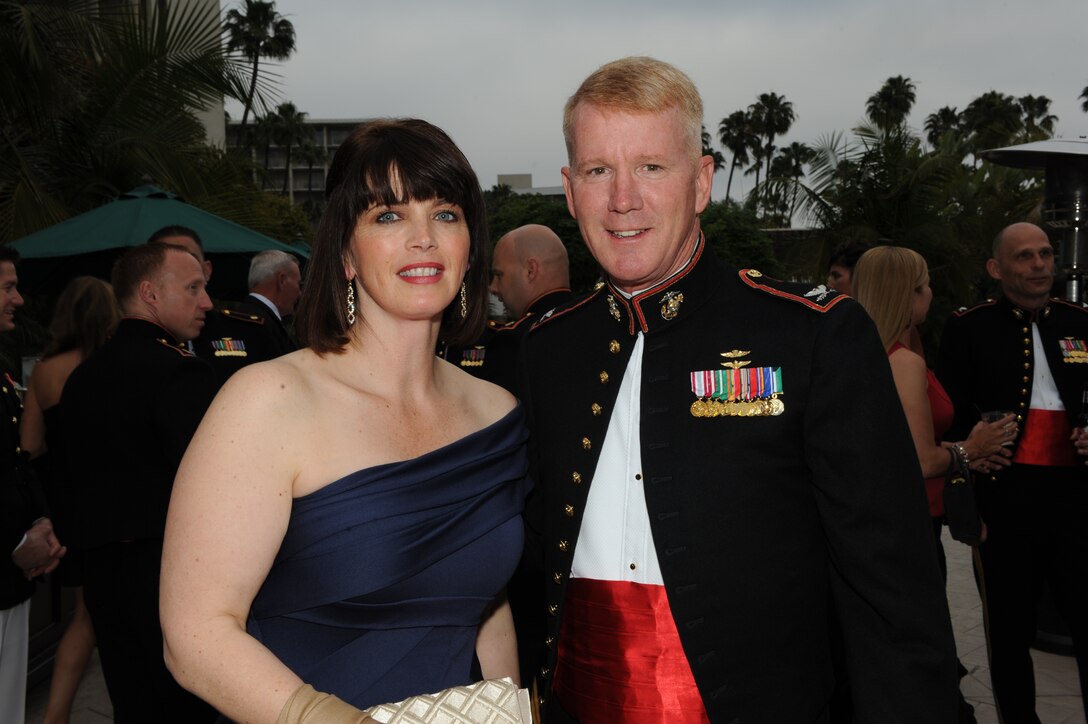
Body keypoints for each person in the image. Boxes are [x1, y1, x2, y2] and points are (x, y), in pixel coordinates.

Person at [522, 56, 959, 723]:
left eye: (651, 166)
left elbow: (892, 592)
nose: (622, 198)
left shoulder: (812, 337)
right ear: (570, 188)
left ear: (701, 182)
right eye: (597, 170)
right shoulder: (544, 349)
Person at [160, 118, 529, 723]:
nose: (423, 239)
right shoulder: (268, 401)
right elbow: (195, 636)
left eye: (445, 214)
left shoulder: (496, 411)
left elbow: (487, 611)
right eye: (388, 216)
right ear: (346, 254)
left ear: (469, 248)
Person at [936, 221, 1088, 723]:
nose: (1040, 264)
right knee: (1009, 633)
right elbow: (951, 418)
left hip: (1077, 500)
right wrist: (967, 481)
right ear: (996, 269)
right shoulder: (968, 327)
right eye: (1024, 256)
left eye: (1045, 253)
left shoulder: (1081, 322)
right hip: (1004, 501)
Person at [60, 244, 217, 722]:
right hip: (173, 573)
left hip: (103, 577)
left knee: (132, 703)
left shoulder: (82, 377)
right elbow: (212, 487)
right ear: (150, 294)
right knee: (188, 707)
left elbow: (68, 481)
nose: (207, 302)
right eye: (192, 288)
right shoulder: (179, 372)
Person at [19, 275, 121, 724]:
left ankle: (56, 714)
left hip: (68, 507)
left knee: (87, 613)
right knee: (98, 615)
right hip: (116, 506)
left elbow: (30, 446)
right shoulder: (113, 367)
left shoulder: (46, 369)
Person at [0, 246, 65, 724]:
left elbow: (16, 460)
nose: (18, 299)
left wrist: (40, 522)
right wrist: (15, 542)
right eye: (7, 288)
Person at [447, 224, 572, 394]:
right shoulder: (594, 322)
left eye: (499, 275)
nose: (493, 287)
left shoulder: (516, 341)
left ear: (530, 271)